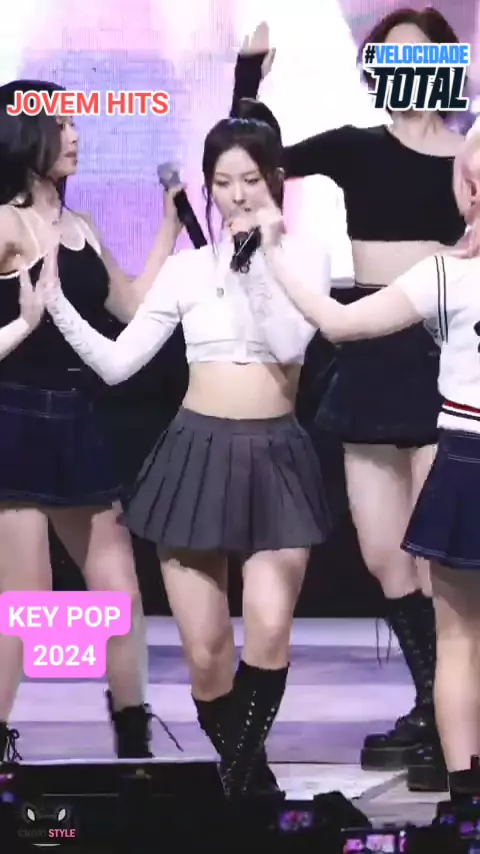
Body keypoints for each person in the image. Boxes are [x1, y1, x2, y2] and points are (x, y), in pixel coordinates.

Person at [39, 115, 332, 798]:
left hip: (277, 457)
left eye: (250, 180)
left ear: (276, 181)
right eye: (223, 182)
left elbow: (289, 343)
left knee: (268, 627)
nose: (237, 195)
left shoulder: (305, 255)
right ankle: (251, 788)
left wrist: (260, 261)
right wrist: (52, 303)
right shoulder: (187, 269)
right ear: (207, 186)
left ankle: (242, 791)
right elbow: (118, 364)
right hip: (196, 454)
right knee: (206, 655)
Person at [231, 10, 466, 788]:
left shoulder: (471, 155)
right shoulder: (354, 146)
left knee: (441, 559)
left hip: (444, 352)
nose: (406, 70)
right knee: (383, 553)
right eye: (390, 58)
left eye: (420, 56)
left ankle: (454, 719)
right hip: (367, 351)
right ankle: (431, 704)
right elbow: (251, 164)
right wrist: (247, 79)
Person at [0, 79, 182, 763]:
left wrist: (169, 229)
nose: (76, 135)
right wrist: (24, 323)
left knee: (119, 589)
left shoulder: (82, 228)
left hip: (76, 416)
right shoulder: (5, 224)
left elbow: (133, 308)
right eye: (63, 124)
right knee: (26, 599)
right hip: (14, 415)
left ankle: (134, 739)